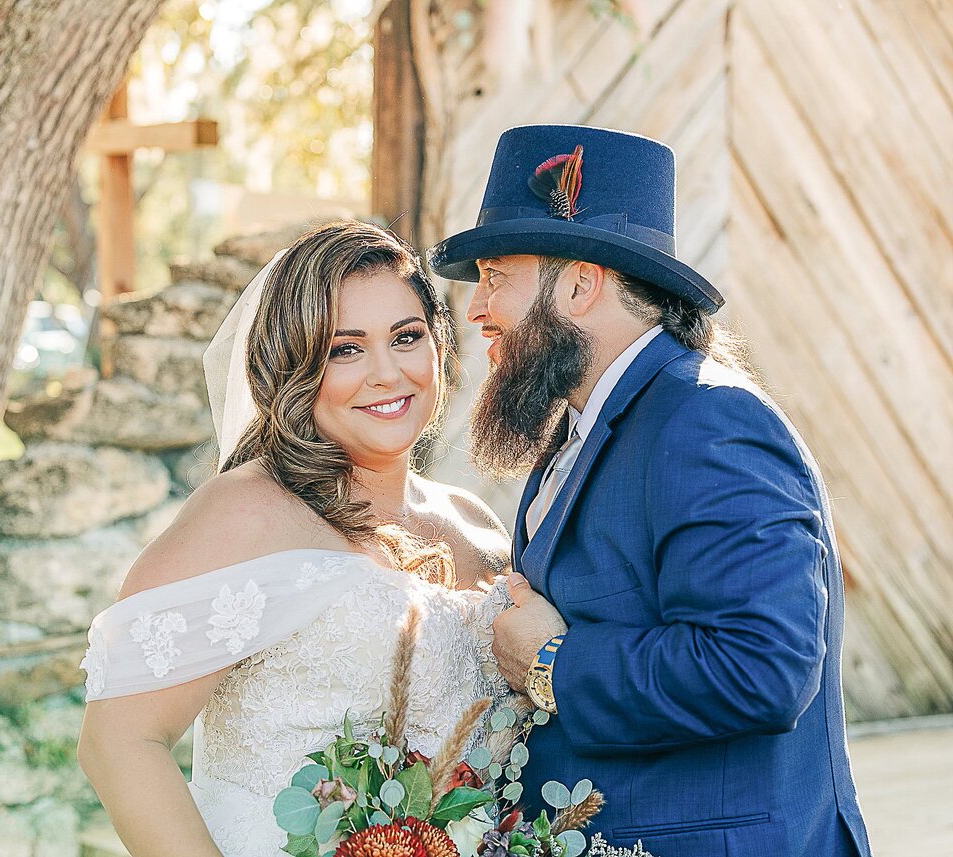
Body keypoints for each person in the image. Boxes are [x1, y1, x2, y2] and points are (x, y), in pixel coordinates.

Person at [429, 125, 873, 856]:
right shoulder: (585, 427)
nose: (476, 307)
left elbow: (761, 667)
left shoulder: (709, 420)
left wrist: (552, 666)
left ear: (579, 282)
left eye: (497, 272)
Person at [76, 221, 514, 857]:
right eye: (345, 349)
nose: (387, 373)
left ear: (440, 347)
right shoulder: (247, 512)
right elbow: (117, 744)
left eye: (406, 337)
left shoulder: (476, 525)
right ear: (295, 367)